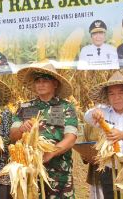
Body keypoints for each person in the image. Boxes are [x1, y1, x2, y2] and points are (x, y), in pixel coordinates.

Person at [10, 63, 78, 198]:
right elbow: (13, 136)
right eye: (38, 81)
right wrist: (21, 129)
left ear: (55, 84)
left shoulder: (66, 107)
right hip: (30, 171)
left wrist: (51, 153)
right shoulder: (24, 107)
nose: (40, 84)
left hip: (59, 173)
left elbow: (71, 138)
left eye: (45, 81)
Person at [84, 71, 123, 199]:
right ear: (108, 97)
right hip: (110, 169)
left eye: (121, 92)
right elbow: (87, 116)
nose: (116, 97)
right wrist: (95, 111)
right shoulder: (105, 112)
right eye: (112, 94)